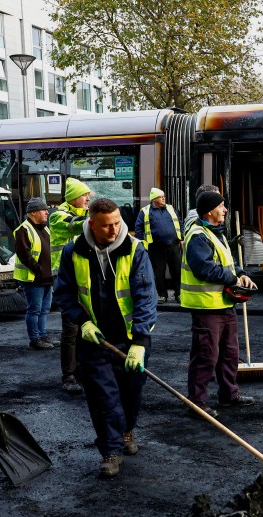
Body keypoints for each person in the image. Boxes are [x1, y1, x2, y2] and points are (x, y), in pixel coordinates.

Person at [53, 197, 157, 479]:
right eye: (106, 226)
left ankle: (126, 431)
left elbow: (146, 299)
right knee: (103, 398)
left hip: (129, 339)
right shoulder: (73, 251)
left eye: (117, 223)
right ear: (91, 224)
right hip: (94, 341)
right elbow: (63, 292)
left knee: (130, 393)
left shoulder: (134, 250)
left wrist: (139, 342)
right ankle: (110, 450)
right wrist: (82, 321)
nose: (113, 230)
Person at [180, 191, 256, 417]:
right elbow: (204, 268)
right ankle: (196, 403)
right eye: (221, 206)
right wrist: (233, 278)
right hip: (206, 306)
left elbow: (229, 263)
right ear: (209, 211)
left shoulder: (216, 234)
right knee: (206, 355)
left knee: (230, 353)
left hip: (222, 304)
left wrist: (241, 274)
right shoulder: (198, 236)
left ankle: (229, 395)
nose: (224, 210)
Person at [49, 177, 91, 392]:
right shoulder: (57, 216)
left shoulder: (81, 213)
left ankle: (82, 371)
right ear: (73, 197)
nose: (88, 198)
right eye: (85, 194)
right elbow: (77, 226)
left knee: (87, 326)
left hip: (83, 277)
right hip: (66, 279)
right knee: (71, 328)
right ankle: (69, 376)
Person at [13, 197, 56, 350]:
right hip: (33, 279)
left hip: (46, 277)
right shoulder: (23, 230)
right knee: (34, 310)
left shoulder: (44, 228)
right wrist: (39, 270)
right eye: (43, 210)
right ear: (33, 213)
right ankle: (35, 339)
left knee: (44, 310)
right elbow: (25, 255)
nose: (47, 212)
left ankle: (42, 335)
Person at [133, 188, 182, 304]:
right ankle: (162, 295)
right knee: (158, 273)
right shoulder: (145, 211)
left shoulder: (170, 208)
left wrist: (182, 237)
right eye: (161, 196)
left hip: (174, 245)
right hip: (156, 248)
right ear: (154, 199)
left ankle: (179, 294)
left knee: (177, 271)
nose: (164, 198)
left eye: (164, 196)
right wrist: (143, 244)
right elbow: (138, 228)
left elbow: (179, 222)